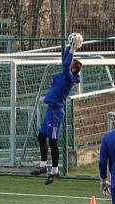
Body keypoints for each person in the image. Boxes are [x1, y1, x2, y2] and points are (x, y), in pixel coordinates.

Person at [31, 33, 83, 185]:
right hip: (50, 110)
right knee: (41, 136)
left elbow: (66, 63)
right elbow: (65, 59)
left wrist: (73, 49)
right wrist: (70, 46)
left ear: (73, 68)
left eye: (72, 62)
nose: (69, 61)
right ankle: (43, 166)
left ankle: (55, 171)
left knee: (53, 141)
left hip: (56, 113)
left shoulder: (69, 77)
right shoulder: (67, 72)